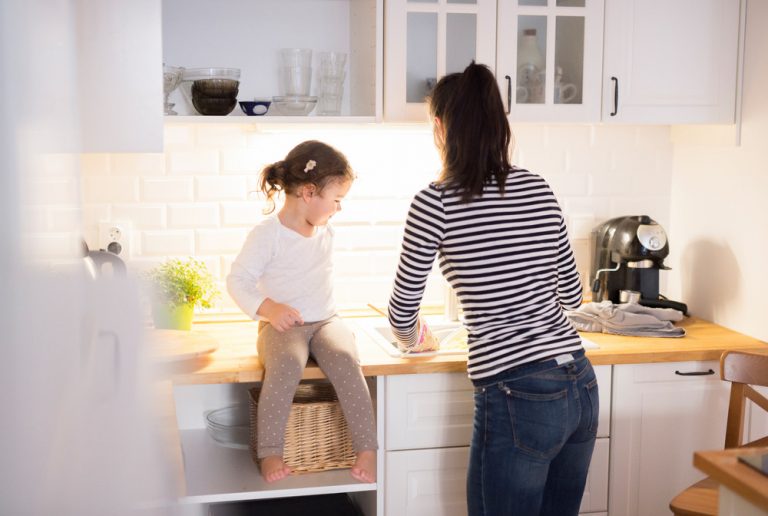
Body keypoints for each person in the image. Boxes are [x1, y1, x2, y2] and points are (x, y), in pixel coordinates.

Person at [387, 62, 599, 516]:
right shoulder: (538, 188)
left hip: (516, 391)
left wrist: (413, 340)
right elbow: (573, 297)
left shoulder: (435, 201)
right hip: (579, 384)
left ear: (440, 126)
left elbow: (403, 310)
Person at [227, 140, 377, 483]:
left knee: (345, 358)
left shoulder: (325, 229)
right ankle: (271, 452)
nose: (339, 208)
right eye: (336, 200)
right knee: (286, 365)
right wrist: (268, 308)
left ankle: (367, 447)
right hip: (283, 326)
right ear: (308, 192)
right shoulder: (268, 235)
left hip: (325, 320)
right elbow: (238, 280)